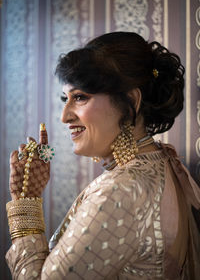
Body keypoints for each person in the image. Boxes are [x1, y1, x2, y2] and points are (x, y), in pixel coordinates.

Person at [6, 32, 200, 279]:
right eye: (66, 99)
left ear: (131, 101)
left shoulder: (121, 191)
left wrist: (25, 207)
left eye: (79, 97)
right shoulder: (161, 162)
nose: (64, 116)